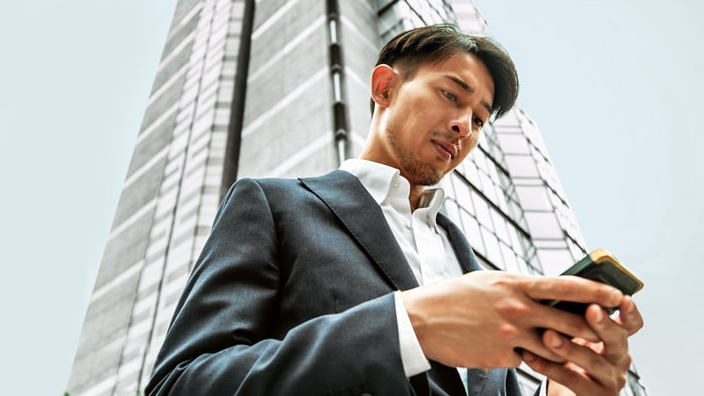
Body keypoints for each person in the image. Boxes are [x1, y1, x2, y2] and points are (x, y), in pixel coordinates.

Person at [145, 24, 643, 396]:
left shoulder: (471, 265)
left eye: (478, 119)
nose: (464, 127)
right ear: (384, 88)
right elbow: (180, 383)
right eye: (452, 95)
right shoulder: (274, 204)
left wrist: (564, 389)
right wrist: (408, 326)